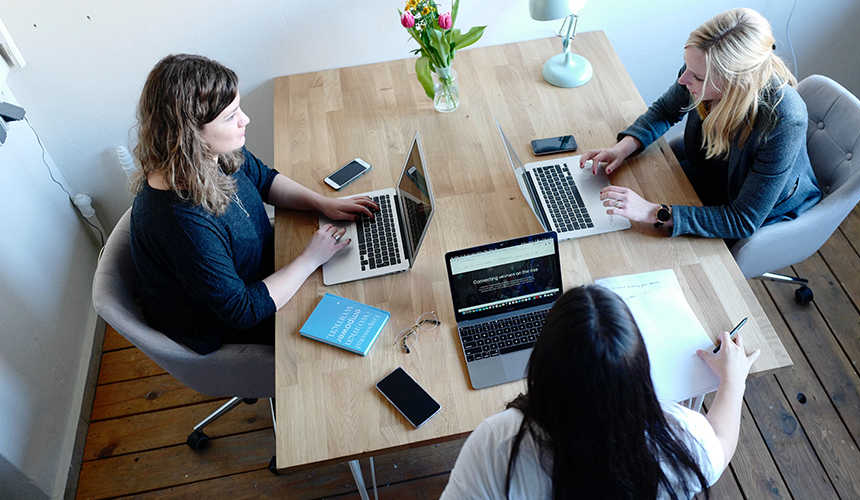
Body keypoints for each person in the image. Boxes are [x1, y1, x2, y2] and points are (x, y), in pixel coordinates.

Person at [129, 54, 378, 355]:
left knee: (363, 274)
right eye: (230, 116)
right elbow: (241, 310)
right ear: (190, 135)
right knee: (365, 313)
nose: (244, 120)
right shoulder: (182, 222)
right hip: (229, 321)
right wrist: (311, 259)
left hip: (265, 268)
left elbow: (264, 180)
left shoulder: (209, 155)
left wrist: (322, 203)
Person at [440, 285, 761, 499]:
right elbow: (721, 444)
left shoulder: (498, 444)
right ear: (638, 370)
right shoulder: (678, 439)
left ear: (542, 364)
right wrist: (734, 380)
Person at [581, 8, 822, 241]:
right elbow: (666, 110)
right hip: (710, 172)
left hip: (751, 209)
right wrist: (622, 148)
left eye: (697, 77)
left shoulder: (784, 121)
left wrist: (651, 212)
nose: (683, 80)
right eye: (687, 67)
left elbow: (743, 219)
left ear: (737, 81)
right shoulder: (699, 67)